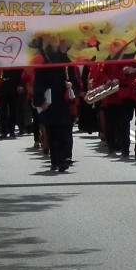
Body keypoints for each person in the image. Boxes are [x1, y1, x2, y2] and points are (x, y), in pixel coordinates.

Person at [33, 41, 79, 172]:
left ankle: (63, 159)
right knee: (52, 134)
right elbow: (39, 85)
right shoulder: (43, 66)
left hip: (65, 104)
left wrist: (71, 89)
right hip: (50, 105)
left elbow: (75, 84)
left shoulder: (68, 64)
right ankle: (55, 161)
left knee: (65, 133)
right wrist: (41, 101)